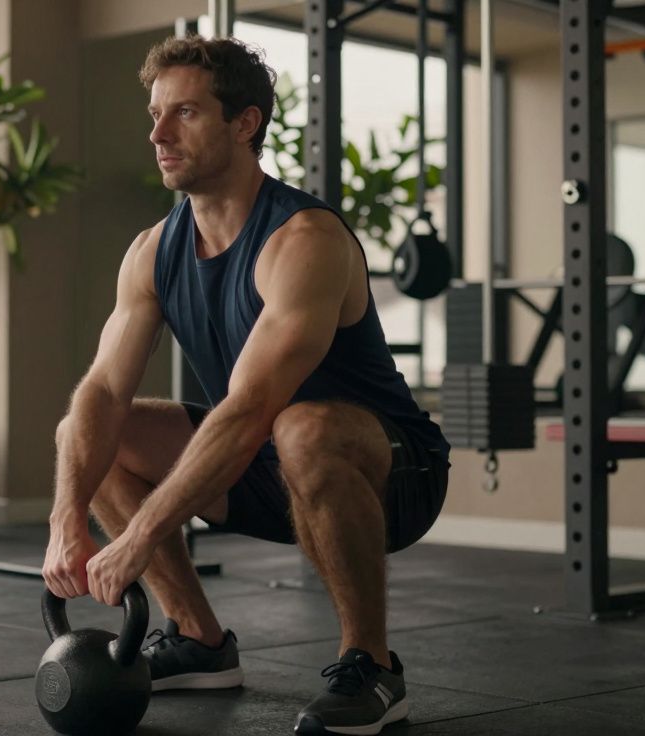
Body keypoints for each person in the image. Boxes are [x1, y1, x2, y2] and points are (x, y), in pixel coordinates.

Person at [41, 34, 450, 736]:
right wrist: (65, 518)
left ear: (244, 123)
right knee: (95, 429)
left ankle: (373, 667)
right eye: (156, 114)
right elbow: (103, 392)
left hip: (390, 474)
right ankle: (199, 641)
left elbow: (253, 406)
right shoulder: (152, 250)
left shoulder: (303, 239)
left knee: (301, 426)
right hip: (259, 466)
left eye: (185, 113)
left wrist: (138, 537)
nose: (158, 134)